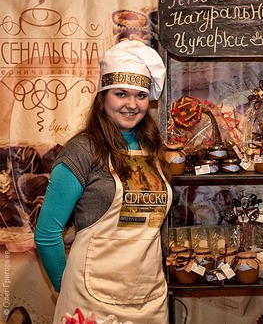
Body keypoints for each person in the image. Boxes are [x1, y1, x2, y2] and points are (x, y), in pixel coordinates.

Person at [34, 40, 172, 323]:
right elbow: (46, 234)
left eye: (140, 95)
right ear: (103, 96)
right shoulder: (83, 150)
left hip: (150, 299)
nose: (132, 105)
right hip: (91, 303)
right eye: (121, 94)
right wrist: (67, 289)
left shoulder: (154, 147)